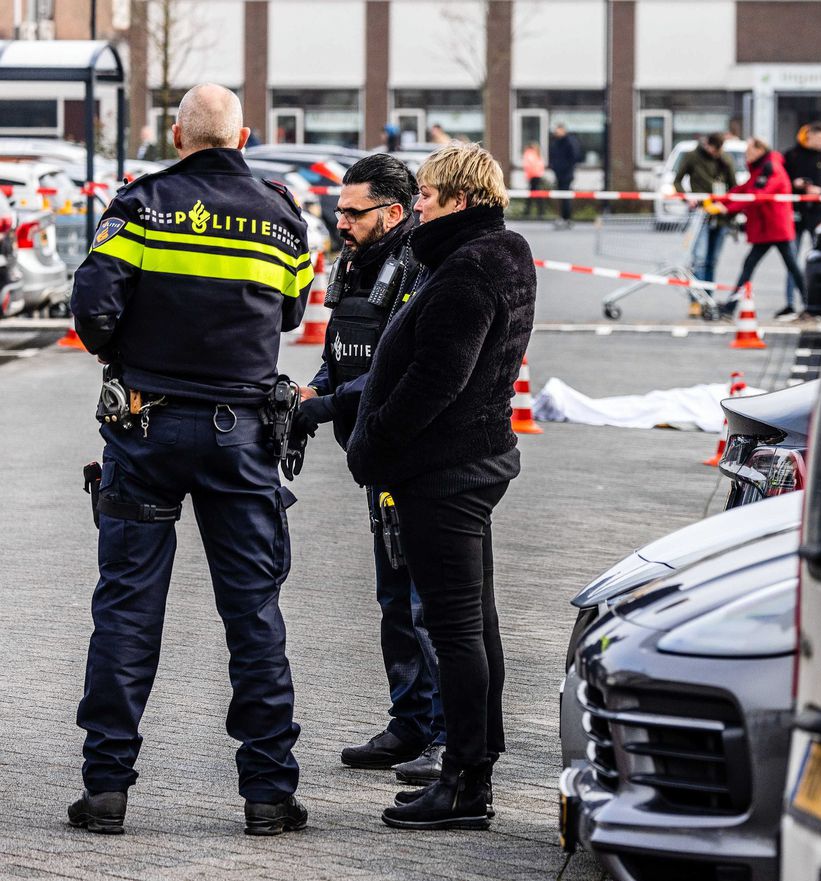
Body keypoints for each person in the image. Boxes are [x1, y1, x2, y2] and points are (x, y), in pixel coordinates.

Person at [67, 83, 314, 836]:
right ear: (244, 136)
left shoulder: (140, 205)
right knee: (254, 613)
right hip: (241, 435)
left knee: (127, 608)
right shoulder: (282, 214)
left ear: (178, 135)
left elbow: (92, 307)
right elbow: (296, 309)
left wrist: (128, 356)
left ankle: (107, 788)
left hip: (144, 430)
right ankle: (268, 794)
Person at [345, 142, 536, 831]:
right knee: (474, 621)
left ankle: (464, 782)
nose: (416, 205)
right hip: (477, 460)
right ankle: (475, 758)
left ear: (459, 198)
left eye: (425, 195)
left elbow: (438, 377)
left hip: (445, 471)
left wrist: (374, 443)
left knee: (455, 628)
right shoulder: (501, 252)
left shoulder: (465, 269)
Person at [290, 153, 449, 785]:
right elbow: (342, 350)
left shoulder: (420, 267)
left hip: (416, 455)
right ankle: (410, 723)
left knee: (425, 605)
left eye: (353, 212)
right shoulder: (354, 264)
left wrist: (326, 405)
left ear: (394, 210)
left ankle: (444, 737)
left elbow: (393, 368)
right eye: (339, 210)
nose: (341, 221)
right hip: (374, 457)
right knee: (393, 600)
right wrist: (313, 391)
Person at [715, 137, 806, 317]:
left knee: (791, 267)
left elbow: (758, 195)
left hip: (775, 227)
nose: (745, 155)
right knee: (761, 265)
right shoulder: (761, 167)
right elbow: (745, 189)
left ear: (759, 150)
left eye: (748, 150)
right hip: (768, 228)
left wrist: (727, 208)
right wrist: (721, 200)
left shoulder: (770, 168)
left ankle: (811, 304)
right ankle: (730, 306)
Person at [781, 122, 821, 319]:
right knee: (792, 259)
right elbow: (782, 183)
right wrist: (794, 184)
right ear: (811, 136)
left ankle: (816, 305)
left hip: (819, 215)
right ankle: (790, 303)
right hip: (796, 215)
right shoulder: (792, 155)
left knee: (820, 259)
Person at [673, 132, 736, 311]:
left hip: (720, 216)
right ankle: (695, 300)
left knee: (712, 260)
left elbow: (734, 187)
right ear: (706, 144)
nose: (714, 153)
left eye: (718, 150)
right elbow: (677, 181)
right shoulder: (692, 156)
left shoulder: (726, 160)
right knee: (699, 259)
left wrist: (728, 207)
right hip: (700, 214)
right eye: (712, 148)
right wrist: (687, 197)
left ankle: (708, 299)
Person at [548, 122, 582, 229]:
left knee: (566, 196)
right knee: (562, 196)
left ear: (563, 130)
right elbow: (553, 155)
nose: (556, 132)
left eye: (558, 130)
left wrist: (565, 168)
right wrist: (554, 167)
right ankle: (563, 217)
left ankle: (567, 218)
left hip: (566, 174)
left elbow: (574, 156)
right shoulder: (556, 142)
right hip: (559, 173)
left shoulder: (569, 142)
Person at [520, 141, 547, 219]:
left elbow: (530, 166)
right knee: (535, 194)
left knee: (533, 194)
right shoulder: (533, 154)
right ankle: (539, 211)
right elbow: (533, 166)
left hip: (534, 177)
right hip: (535, 176)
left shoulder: (531, 154)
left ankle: (528, 211)